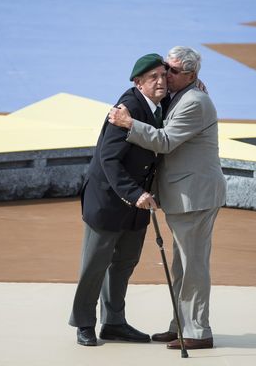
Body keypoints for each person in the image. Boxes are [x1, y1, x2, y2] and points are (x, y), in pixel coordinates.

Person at [108, 46, 227, 350]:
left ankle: (198, 331)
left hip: (195, 197)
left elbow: (166, 141)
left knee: (194, 266)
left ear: (190, 75)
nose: (165, 75)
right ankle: (180, 325)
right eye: (163, 68)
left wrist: (129, 124)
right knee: (182, 266)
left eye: (172, 71)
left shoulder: (195, 102)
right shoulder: (183, 95)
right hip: (184, 196)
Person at [68, 53, 166, 346]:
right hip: (110, 202)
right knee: (95, 264)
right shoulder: (126, 108)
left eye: (163, 75)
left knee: (124, 262)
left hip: (137, 205)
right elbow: (108, 159)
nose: (161, 81)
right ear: (138, 82)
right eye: (153, 78)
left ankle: (113, 323)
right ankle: (84, 323)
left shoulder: (159, 104)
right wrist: (136, 194)